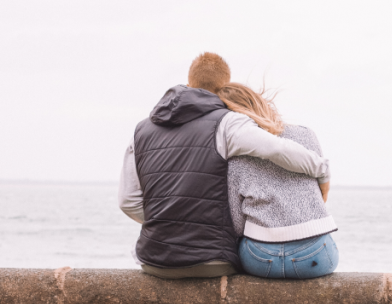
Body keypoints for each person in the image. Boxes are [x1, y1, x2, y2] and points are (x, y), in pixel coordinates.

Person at [118, 53, 331, 279]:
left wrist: (168, 221)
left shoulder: (140, 131)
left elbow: (127, 202)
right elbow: (277, 149)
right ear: (224, 85)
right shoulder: (227, 123)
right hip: (212, 261)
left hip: (154, 260)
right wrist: (322, 170)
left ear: (189, 82)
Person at [218, 82, 339, 279]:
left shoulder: (234, 151)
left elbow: (237, 223)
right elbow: (319, 197)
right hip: (315, 256)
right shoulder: (306, 134)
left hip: (260, 258)